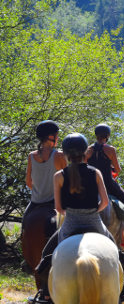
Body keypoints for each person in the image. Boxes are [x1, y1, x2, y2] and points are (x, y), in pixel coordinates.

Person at [32, 133, 124, 304]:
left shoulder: (59, 176)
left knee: (46, 254)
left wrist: (72, 213)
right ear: (85, 152)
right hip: (94, 223)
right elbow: (105, 202)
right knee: (116, 252)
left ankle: (45, 293)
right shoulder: (95, 172)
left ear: (66, 154)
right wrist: (92, 211)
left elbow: (58, 208)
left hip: (69, 225)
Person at [24, 121, 66, 303]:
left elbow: (28, 182)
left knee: (26, 224)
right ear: (52, 137)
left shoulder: (32, 155)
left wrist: (39, 189)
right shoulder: (59, 155)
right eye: (56, 135)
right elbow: (68, 178)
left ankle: (27, 259)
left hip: (35, 203)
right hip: (52, 204)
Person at [85, 123, 124, 240]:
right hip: (107, 184)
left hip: (91, 185)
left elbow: (84, 166)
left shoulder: (89, 150)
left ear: (96, 135)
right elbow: (118, 169)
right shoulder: (110, 149)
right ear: (107, 136)